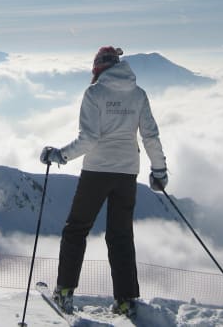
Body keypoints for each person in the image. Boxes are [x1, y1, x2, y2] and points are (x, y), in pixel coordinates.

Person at [40, 46, 168, 318]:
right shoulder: (138, 95)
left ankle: (64, 293)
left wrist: (59, 155)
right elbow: (150, 136)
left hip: (97, 171)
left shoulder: (94, 94)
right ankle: (125, 300)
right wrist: (159, 171)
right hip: (127, 173)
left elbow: (89, 139)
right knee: (120, 236)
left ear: (98, 67)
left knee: (76, 229)